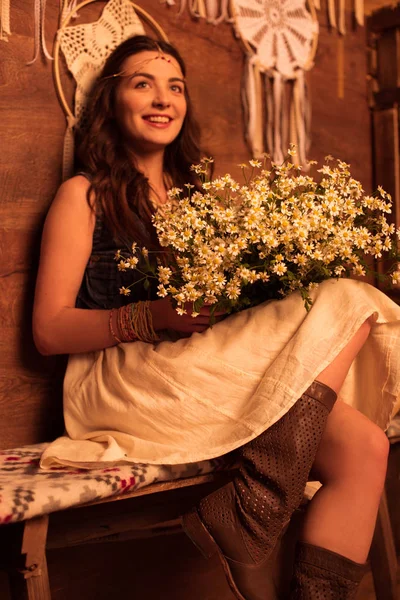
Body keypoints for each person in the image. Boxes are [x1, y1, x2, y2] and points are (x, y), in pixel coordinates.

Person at [33, 35, 400, 600]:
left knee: (365, 448)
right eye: (142, 84)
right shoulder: (84, 195)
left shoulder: (198, 199)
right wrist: (152, 316)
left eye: (175, 87)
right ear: (111, 102)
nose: (163, 99)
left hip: (199, 369)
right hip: (124, 381)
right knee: (350, 298)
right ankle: (258, 501)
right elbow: (49, 331)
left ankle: (260, 508)